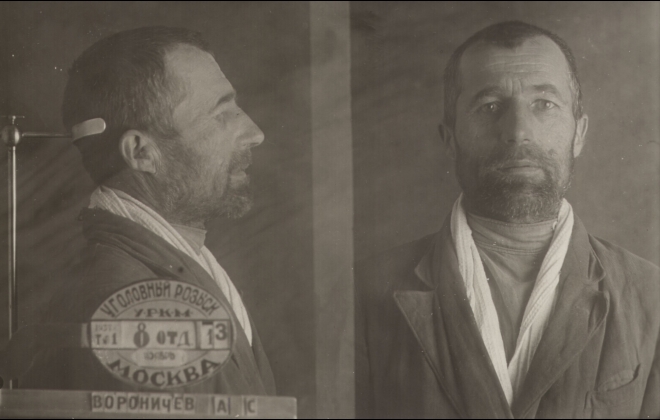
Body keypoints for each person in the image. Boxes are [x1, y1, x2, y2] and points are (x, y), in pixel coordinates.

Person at [356, 20, 660, 418]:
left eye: (544, 104)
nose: (518, 132)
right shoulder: (366, 294)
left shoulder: (650, 296)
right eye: (490, 107)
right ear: (450, 138)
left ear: (579, 134)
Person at [19, 26, 275, 395]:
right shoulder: (138, 309)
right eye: (221, 113)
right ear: (141, 153)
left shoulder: (167, 270)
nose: (254, 133)